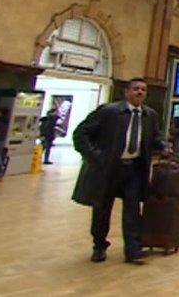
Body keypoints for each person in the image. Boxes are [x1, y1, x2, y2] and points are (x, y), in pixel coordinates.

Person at [72, 78, 171, 264]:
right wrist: (96, 157)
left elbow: (155, 136)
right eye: (136, 89)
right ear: (126, 92)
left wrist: (163, 146)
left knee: (133, 209)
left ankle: (132, 249)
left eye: (143, 89)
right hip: (109, 168)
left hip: (134, 168)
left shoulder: (150, 115)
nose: (140, 92)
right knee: (102, 207)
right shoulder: (109, 112)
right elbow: (80, 134)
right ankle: (99, 245)